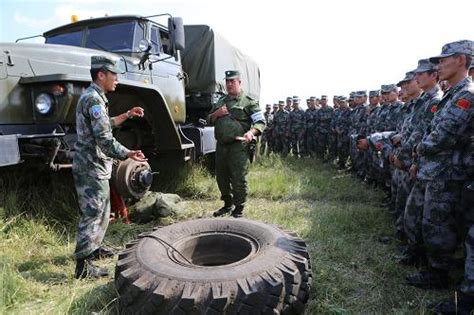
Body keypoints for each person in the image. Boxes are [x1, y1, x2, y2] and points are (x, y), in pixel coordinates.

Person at [73, 55, 147, 279]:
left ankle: (95, 249)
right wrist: (128, 153)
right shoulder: (93, 100)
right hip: (91, 166)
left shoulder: (96, 98)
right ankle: (83, 267)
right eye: (114, 75)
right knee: (93, 213)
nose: (117, 79)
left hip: (96, 165)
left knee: (104, 211)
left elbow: (105, 124)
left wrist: (127, 114)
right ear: (101, 75)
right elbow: (104, 139)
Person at [208, 70, 265, 218]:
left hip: (238, 146)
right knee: (221, 176)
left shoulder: (248, 101)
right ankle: (227, 204)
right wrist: (217, 114)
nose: (229, 84)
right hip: (221, 146)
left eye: (232, 81)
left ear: (239, 82)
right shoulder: (220, 102)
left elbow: (260, 122)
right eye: (227, 81)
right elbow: (209, 119)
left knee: (239, 177)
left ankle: (239, 207)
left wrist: (251, 133)